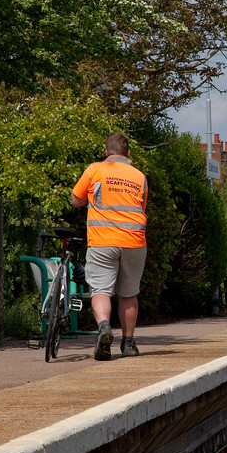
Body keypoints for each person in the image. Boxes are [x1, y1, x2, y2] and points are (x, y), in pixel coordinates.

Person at [72, 132, 148, 360]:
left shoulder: (95, 169)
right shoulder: (139, 176)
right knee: (129, 292)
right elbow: (141, 205)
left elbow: (76, 201)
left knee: (101, 290)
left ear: (106, 153)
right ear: (129, 154)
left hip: (103, 240)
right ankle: (128, 344)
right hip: (134, 241)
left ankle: (104, 327)